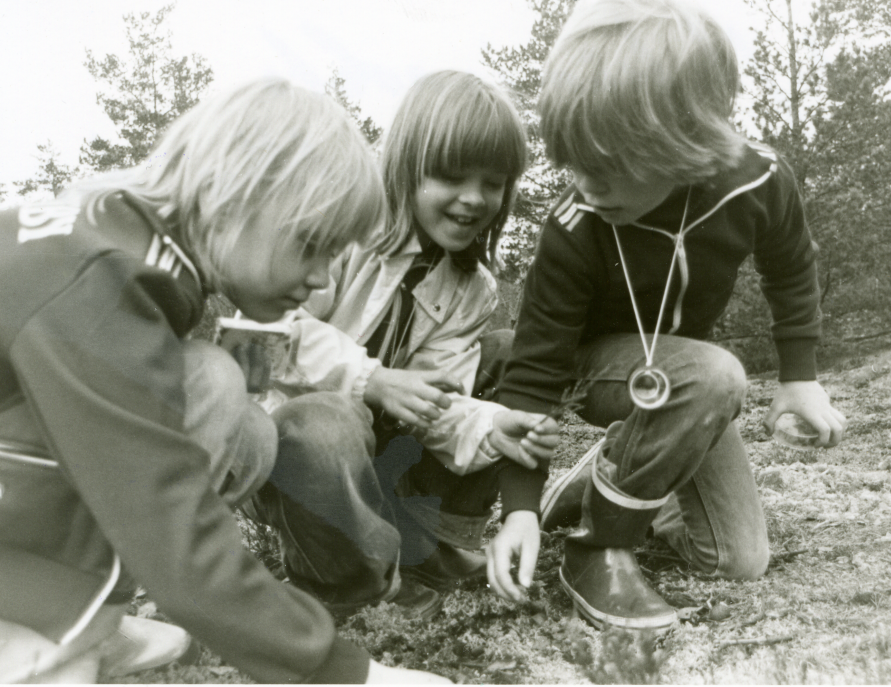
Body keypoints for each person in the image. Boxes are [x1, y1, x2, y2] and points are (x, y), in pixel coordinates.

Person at [0, 78, 448, 684]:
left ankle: (80, 613)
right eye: (311, 244)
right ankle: (33, 646)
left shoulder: (118, 233)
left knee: (213, 387)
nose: (320, 280)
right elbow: (166, 522)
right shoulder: (96, 281)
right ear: (229, 194)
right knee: (201, 394)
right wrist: (346, 673)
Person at [487, 0, 848, 629]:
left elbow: (791, 266)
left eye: (608, 164)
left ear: (685, 139)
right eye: (574, 161)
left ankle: (613, 472)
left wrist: (800, 379)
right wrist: (519, 509)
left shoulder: (758, 182)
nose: (587, 186)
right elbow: (534, 379)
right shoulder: (576, 228)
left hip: (681, 383)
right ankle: (598, 546)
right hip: (597, 370)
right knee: (714, 375)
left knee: (737, 559)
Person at [246, 70, 560, 619]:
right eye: (451, 176)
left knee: (507, 350)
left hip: (377, 449)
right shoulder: (342, 229)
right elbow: (267, 335)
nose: (474, 199)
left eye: (493, 182)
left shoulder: (472, 288)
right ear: (406, 167)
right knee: (329, 423)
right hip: (278, 447)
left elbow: (435, 400)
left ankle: (429, 547)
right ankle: (350, 578)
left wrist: (490, 427)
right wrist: (374, 381)